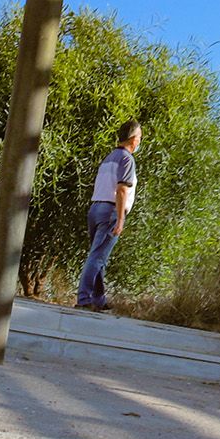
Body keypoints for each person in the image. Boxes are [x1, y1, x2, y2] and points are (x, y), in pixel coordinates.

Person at [76, 121, 141, 311]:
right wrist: (120, 219)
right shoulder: (127, 160)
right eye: (140, 137)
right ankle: (84, 298)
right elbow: (121, 190)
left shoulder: (109, 157)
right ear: (133, 139)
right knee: (97, 257)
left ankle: (99, 299)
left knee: (98, 256)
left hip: (95, 209)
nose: (140, 142)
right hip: (110, 211)